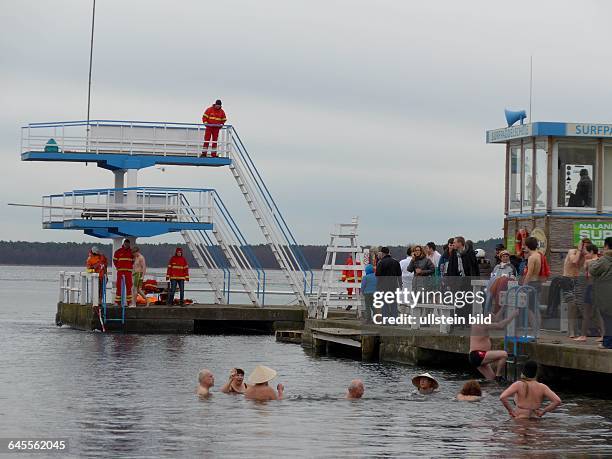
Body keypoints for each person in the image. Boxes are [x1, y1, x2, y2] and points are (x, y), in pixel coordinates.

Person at [469, 308, 519, 381]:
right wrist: (513, 315)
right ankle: (498, 376)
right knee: (504, 354)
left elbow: (496, 318)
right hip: (478, 354)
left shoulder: (483, 323)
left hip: (477, 356)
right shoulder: (481, 324)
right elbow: (500, 325)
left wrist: (503, 307)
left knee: (492, 380)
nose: (493, 322)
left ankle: (487, 391)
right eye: (492, 320)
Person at [562, 238, 589, 338]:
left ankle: (578, 329)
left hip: (576, 280)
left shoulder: (584, 255)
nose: (585, 248)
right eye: (584, 245)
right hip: (567, 279)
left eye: (587, 246)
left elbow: (582, 266)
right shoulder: (572, 251)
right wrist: (579, 250)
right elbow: (574, 261)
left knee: (579, 305)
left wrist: (585, 253)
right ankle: (571, 330)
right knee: (572, 305)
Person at [589, 237, 612, 349]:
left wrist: (593, 261)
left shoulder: (605, 259)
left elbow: (593, 270)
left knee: (608, 319)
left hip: (606, 295)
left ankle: (608, 343)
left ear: (606, 246)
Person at [580, 243, 604, 343]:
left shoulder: (589, 262)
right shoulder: (601, 260)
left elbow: (585, 270)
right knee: (598, 313)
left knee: (587, 313)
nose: (585, 254)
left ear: (591, 252)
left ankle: (583, 335)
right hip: (599, 288)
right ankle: (603, 335)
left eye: (586, 252)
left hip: (591, 287)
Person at [375, 247, 402, 318]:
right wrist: (400, 285)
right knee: (393, 303)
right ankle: (395, 319)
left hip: (383, 286)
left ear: (382, 253)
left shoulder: (381, 263)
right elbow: (399, 275)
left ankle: (386, 319)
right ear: (388, 252)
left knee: (384, 303)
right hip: (394, 286)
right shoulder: (396, 262)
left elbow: (377, 275)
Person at [113, 239, 134, 305]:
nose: (126, 245)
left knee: (129, 286)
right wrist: (118, 267)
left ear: (129, 244)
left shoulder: (131, 252)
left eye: (128, 244)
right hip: (120, 271)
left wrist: (129, 267)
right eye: (125, 243)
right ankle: (117, 302)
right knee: (118, 286)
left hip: (128, 272)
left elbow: (133, 261)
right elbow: (115, 261)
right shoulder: (118, 252)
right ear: (124, 243)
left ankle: (129, 302)